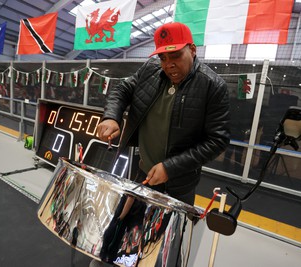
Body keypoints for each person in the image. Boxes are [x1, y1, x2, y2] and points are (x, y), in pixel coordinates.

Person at [97, 22, 230, 206]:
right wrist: (112, 117)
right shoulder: (151, 69)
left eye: (175, 56)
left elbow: (217, 140)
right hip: (143, 171)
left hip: (179, 185)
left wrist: (170, 168)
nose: (169, 65)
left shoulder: (212, 86)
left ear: (192, 50)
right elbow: (122, 89)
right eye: (163, 58)